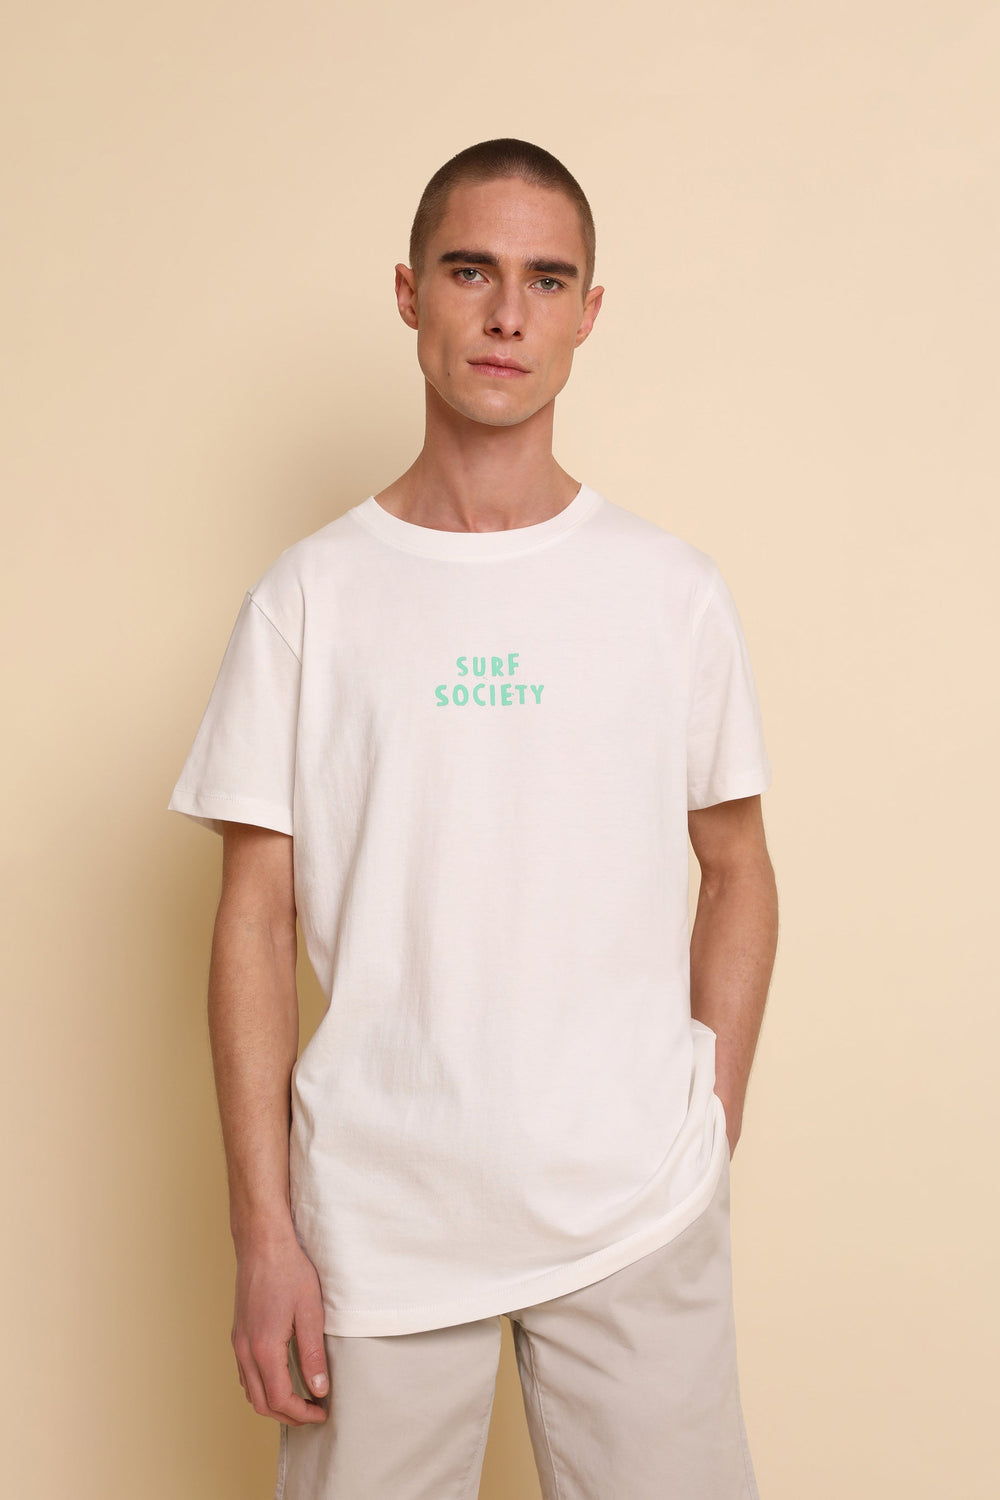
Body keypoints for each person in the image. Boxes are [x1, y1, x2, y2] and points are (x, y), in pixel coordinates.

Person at [167, 136, 779, 1500]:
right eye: (470, 271)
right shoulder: (310, 596)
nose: (508, 313)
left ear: (587, 314)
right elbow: (253, 919)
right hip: (376, 1222)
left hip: (633, 1203)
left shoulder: (668, 590)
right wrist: (264, 1232)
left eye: (546, 280)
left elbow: (738, 865)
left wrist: (708, 1120)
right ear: (409, 293)